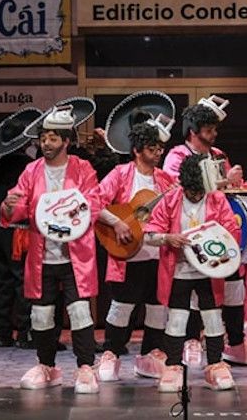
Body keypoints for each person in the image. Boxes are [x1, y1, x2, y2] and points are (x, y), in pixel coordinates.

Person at [163, 97, 247, 369]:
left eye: (214, 130)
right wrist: (224, 180)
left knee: (235, 288)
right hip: (189, 235)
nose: (213, 135)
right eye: (208, 130)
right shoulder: (177, 156)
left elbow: (228, 190)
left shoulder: (219, 155)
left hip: (220, 232)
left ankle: (235, 343)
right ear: (193, 131)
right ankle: (190, 342)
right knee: (192, 294)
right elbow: (177, 190)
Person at [2, 106, 102, 394]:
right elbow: (17, 204)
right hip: (42, 255)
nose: (46, 143)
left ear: (66, 140)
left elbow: (93, 203)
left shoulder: (83, 169)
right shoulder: (31, 170)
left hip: (75, 255)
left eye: (52, 138)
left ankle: (85, 367)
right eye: (43, 138)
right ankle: (46, 366)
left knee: (80, 312)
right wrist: (10, 206)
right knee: (42, 315)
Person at [147, 153, 242, 393]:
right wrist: (168, 237)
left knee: (212, 318)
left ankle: (215, 364)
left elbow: (231, 234)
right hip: (179, 269)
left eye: (200, 191)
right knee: (177, 318)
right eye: (192, 191)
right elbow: (150, 233)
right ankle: (173, 365)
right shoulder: (170, 200)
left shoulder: (217, 199)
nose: (196, 196)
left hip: (210, 272)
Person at [94, 117, 177, 383]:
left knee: (156, 308)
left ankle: (150, 355)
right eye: (152, 148)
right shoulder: (120, 174)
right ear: (137, 150)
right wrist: (117, 222)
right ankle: (111, 352)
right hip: (127, 255)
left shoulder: (166, 180)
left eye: (159, 149)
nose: (157, 153)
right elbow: (94, 201)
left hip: (157, 255)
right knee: (121, 307)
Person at [0, 152, 32, 349]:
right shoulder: (28, 165)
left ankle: (2, 334)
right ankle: (25, 334)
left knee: (2, 284)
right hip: (17, 231)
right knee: (22, 282)